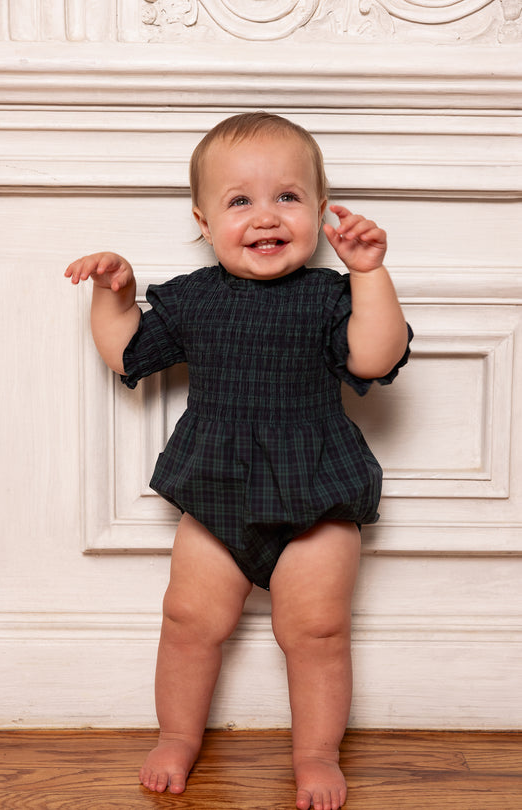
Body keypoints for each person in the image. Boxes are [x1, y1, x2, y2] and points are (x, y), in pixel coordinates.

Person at [65, 112, 412, 810]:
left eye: (288, 196)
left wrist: (370, 273)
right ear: (203, 221)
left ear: (320, 210)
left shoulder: (331, 297)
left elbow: (375, 358)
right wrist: (115, 295)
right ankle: (177, 735)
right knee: (188, 621)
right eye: (240, 201)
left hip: (316, 496)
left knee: (316, 631)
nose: (266, 215)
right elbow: (127, 354)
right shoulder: (194, 297)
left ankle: (316, 752)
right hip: (217, 493)